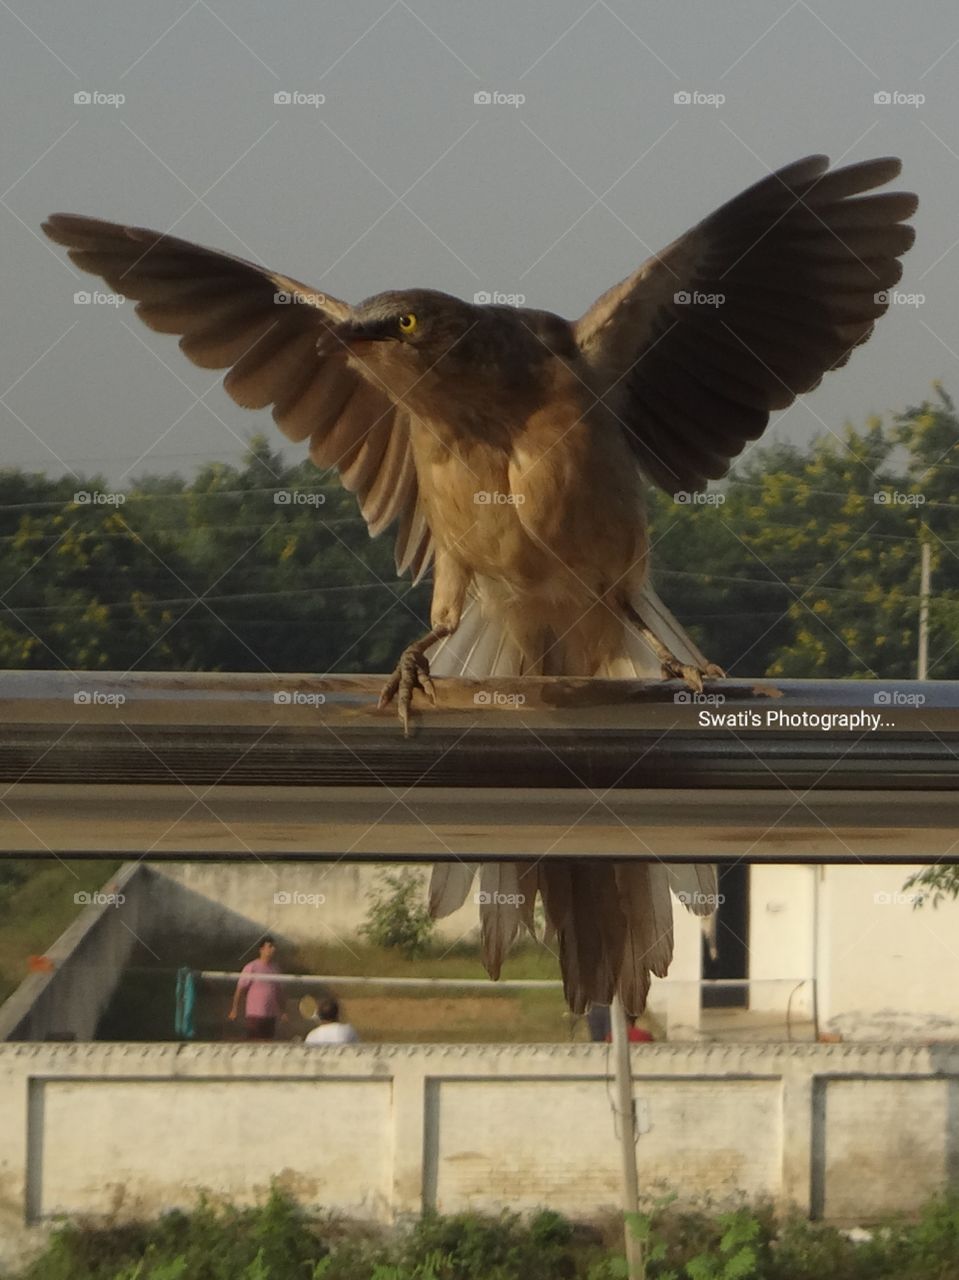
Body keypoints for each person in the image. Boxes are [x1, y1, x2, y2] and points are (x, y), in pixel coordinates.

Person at [228, 936, 286, 1040]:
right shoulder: (251, 967)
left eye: (274, 947)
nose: (273, 949)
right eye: (270, 946)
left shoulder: (275, 969)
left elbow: (279, 992)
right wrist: (234, 1009)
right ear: (261, 949)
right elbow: (240, 989)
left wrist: (283, 1011)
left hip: (271, 1015)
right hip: (255, 1014)